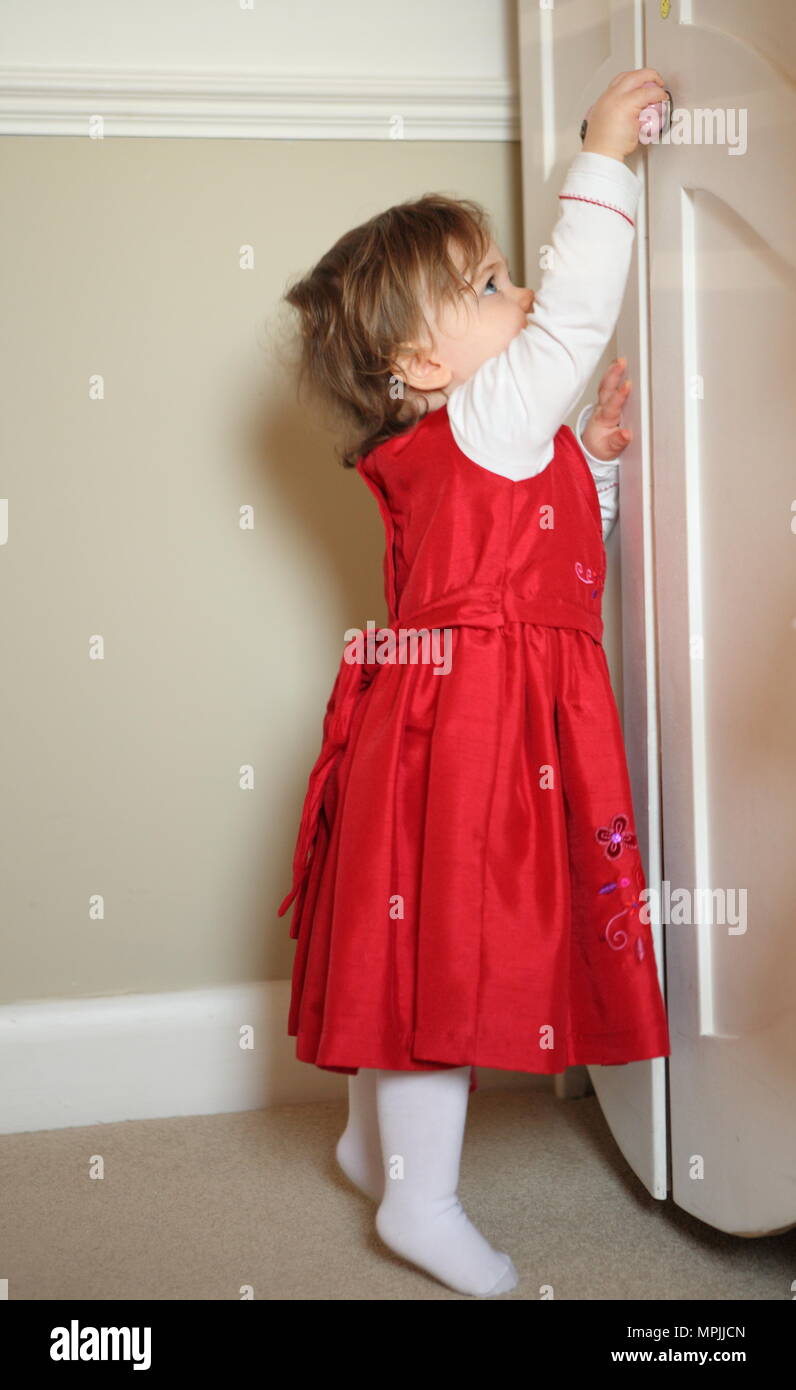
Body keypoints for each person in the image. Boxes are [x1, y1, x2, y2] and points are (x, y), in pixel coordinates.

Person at [276, 68, 671, 1297]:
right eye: (491, 284)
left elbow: (552, 571)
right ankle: (421, 1198)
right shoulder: (490, 414)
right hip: (479, 732)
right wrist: (603, 157)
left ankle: (366, 1140)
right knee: (441, 966)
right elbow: (575, 317)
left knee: (414, 954)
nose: (526, 292)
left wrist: (591, 472)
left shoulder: (471, 440)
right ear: (419, 359)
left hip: (445, 723)